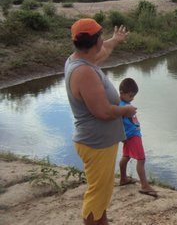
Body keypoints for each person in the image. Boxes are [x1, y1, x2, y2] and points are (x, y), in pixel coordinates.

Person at [65, 18, 137, 225]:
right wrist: (126, 110)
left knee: (103, 191)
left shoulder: (78, 60)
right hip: (97, 144)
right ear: (95, 40)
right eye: (101, 36)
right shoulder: (84, 72)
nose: (103, 40)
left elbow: (102, 51)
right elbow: (103, 112)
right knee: (97, 193)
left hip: (96, 142)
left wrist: (115, 40)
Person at [118, 77, 158, 198]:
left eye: (133, 96)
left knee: (126, 156)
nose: (132, 98)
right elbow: (118, 122)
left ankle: (123, 178)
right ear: (122, 92)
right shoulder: (121, 107)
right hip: (133, 136)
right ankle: (144, 185)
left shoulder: (122, 104)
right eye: (130, 96)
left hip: (129, 135)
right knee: (141, 159)